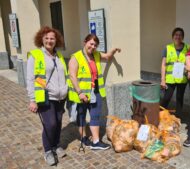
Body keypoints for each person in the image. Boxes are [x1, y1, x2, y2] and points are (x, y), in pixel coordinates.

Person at [68, 34, 121, 150]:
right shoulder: (75, 57)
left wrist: (114, 50)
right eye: (91, 44)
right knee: (81, 117)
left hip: (95, 91)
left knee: (95, 115)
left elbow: (107, 57)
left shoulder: (96, 55)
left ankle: (96, 141)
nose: (93, 47)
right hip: (82, 93)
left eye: (95, 45)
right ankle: (84, 138)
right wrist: (80, 92)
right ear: (85, 42)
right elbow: (72, 76)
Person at [27, 26, 68, 166]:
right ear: (41, 39)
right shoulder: (35, 55)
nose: (49, 41)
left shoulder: (59, 55)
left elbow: (63, 75)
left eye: (52, 38)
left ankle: (56, 145)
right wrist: (32, 99)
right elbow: (31, 79)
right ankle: (48, 151)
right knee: (50, 124)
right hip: (45, 96)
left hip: (61, 96)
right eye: (47, 38)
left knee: (58, 122)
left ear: (56, 40)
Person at [160, 27, 190, 115]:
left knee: (180, 99)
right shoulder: (168, 47)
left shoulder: (188, 47)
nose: (178, 36)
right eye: (176, 35)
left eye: (180, 35)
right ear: (173, 36)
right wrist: (162, 80)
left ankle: (178, 118)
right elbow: (163, 64)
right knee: (166, 98)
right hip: (170, 78)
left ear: (183, 37)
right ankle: (160, 116)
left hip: (182, 78)